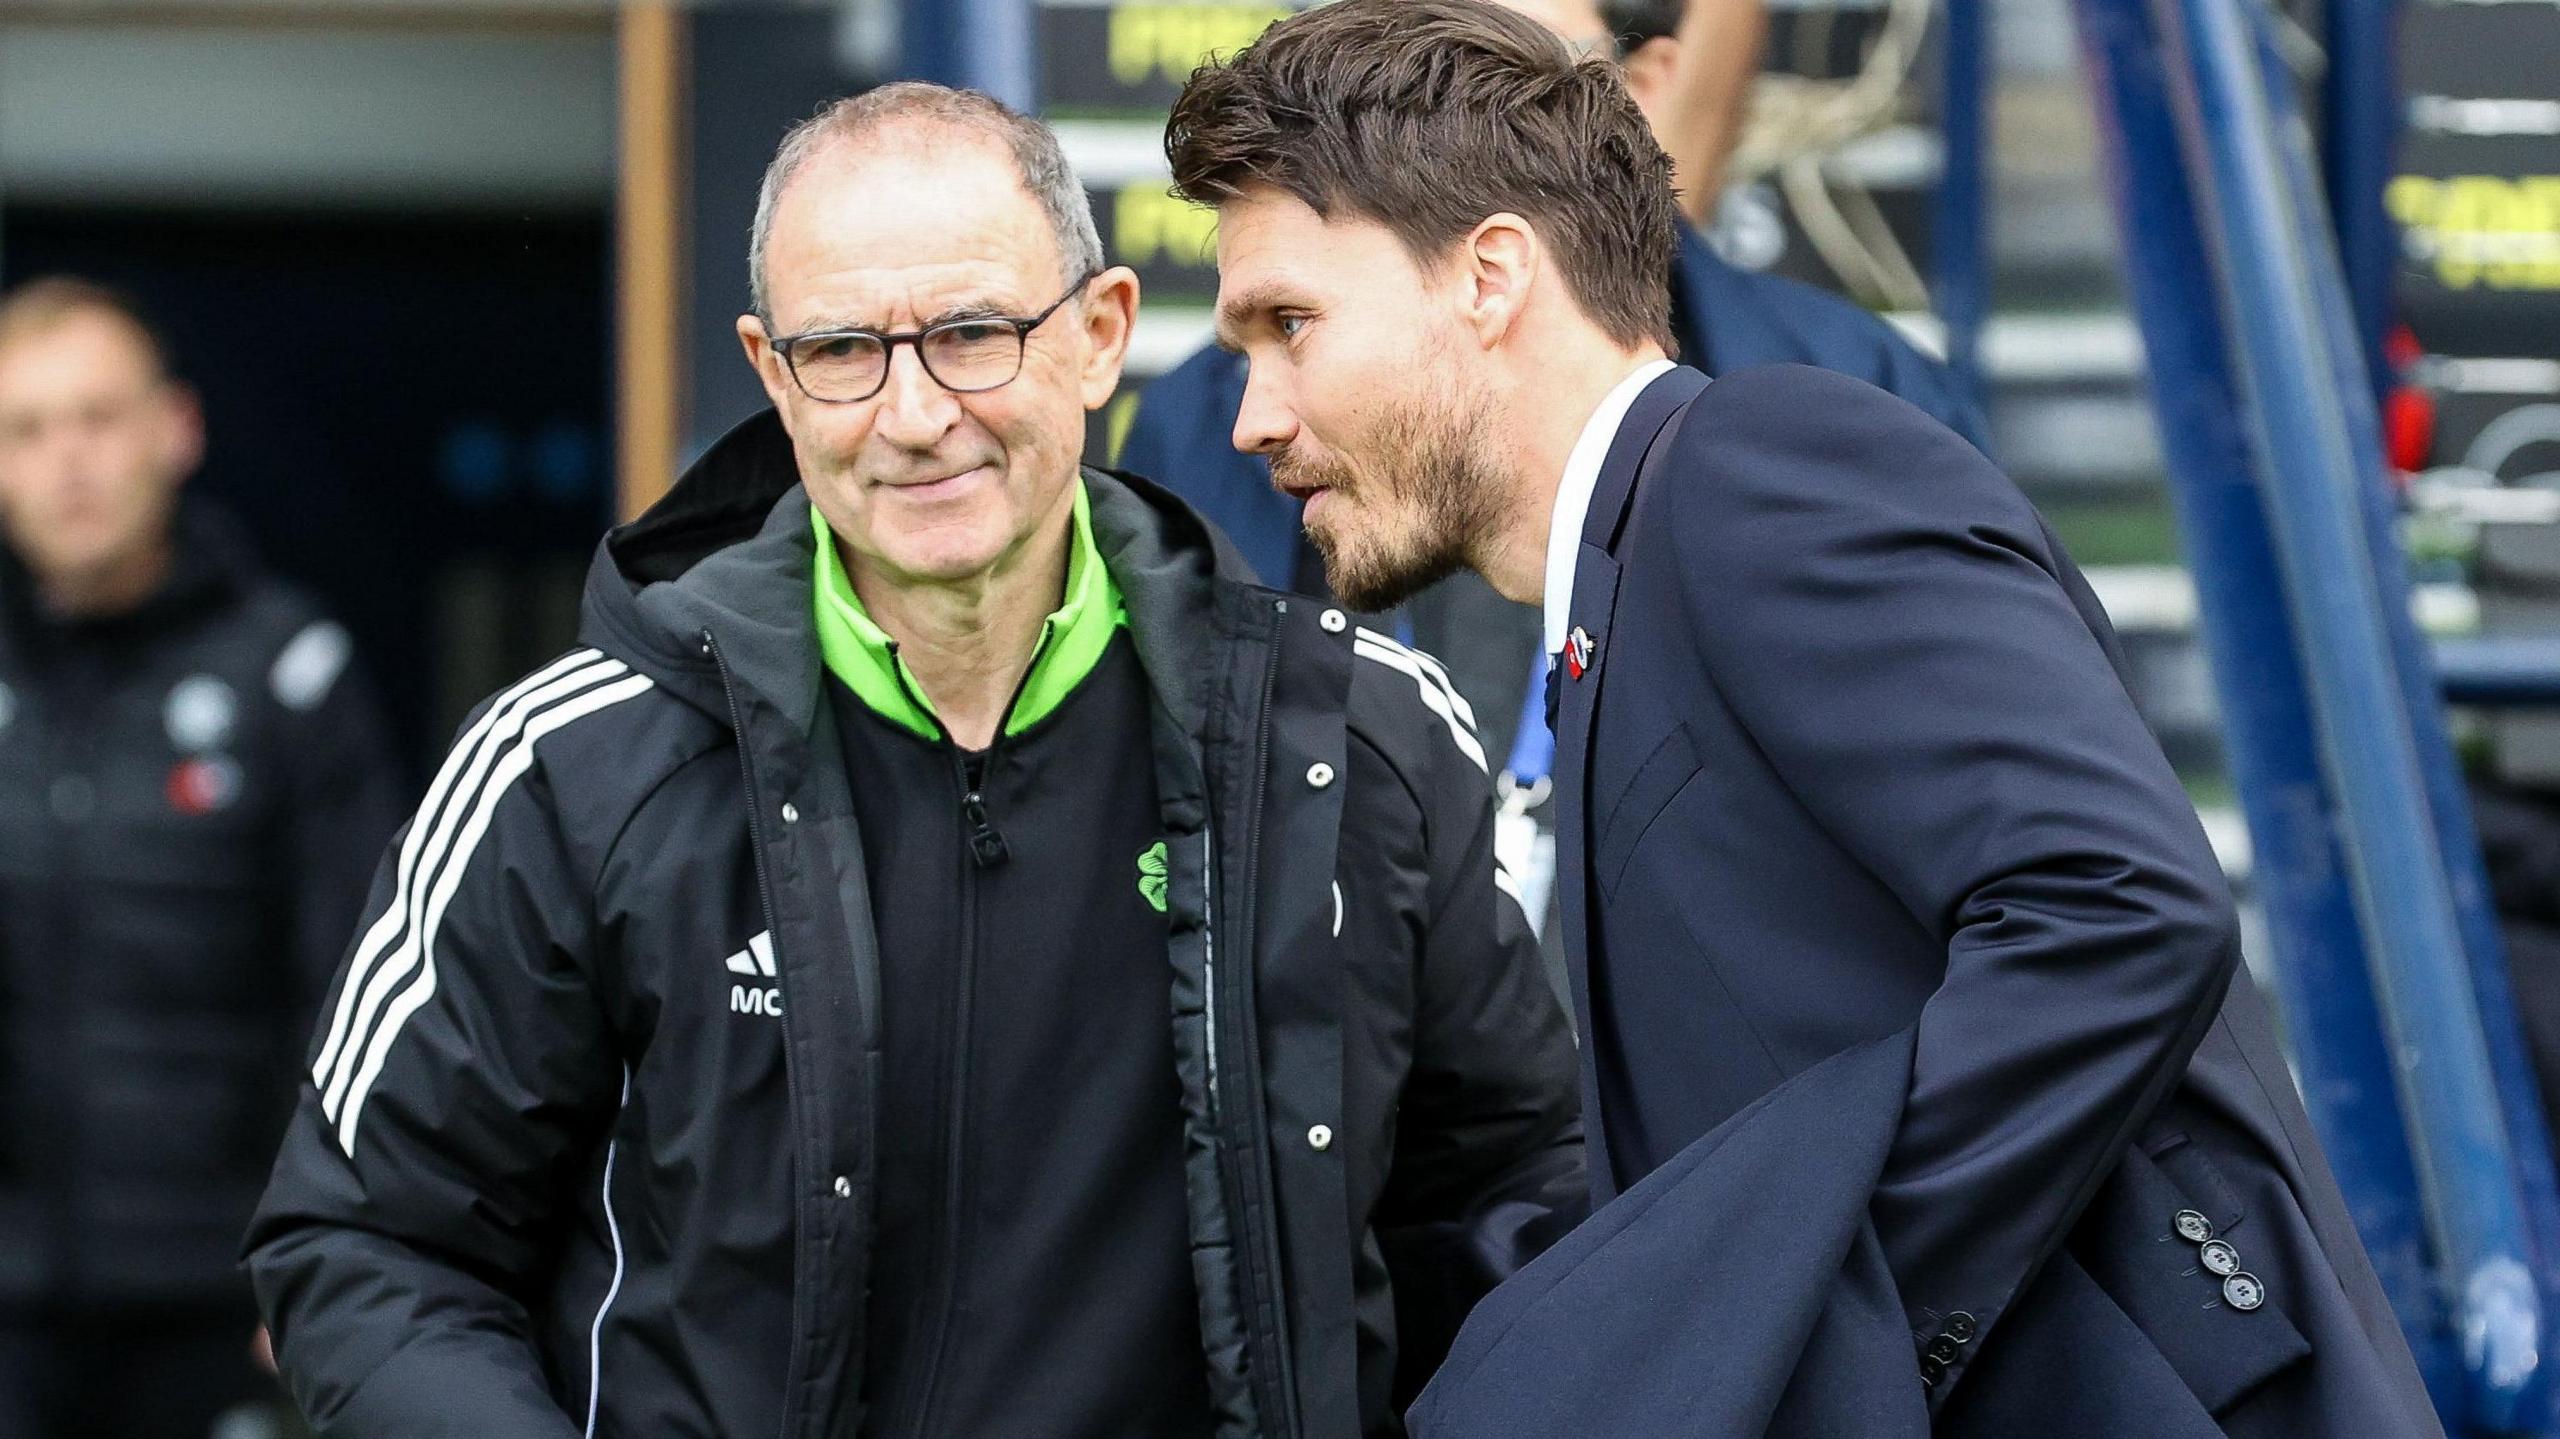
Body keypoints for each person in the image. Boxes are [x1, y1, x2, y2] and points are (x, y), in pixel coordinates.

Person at [1166, 3, 2444, 1435]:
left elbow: (2120, 907)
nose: (1251, 415)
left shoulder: (1760, 468)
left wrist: (1793, 1328)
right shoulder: (1630, 576)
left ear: (1491, 275)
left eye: (1290, 324)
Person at [246, 83, 1581, 1439]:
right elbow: (366, 1248)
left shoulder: (1360, 740)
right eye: (843, 351)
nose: (915, 411)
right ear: (771, 372)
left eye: (971, 334)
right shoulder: (572, 765)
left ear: (1100, 333)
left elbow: (1529, 1206)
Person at [1120, 0, 1984, 983]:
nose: (1430, 107)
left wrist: (1801, 1141)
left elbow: (2066, 909)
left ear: (1633, 94)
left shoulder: (1858, 410)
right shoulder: (1198, 422)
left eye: (1505, 75)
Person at [0, 277, 400, 1436]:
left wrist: (318, 1254)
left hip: (216, 1293)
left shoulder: (293, 675)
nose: (66, 459)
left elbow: (357, 989)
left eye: (96, 417)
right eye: (27, 428)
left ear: (176, 428)